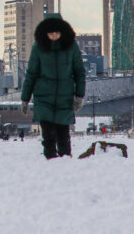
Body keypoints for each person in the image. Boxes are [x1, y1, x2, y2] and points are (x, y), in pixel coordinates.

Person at [20, 13, 85, 159]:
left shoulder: (71, 47)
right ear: (45, 33)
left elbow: (79, 72)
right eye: (51, 33)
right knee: (48, 137)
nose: (54, 36)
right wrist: (25, 98)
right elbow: (31, 73)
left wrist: (79, 95)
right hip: (43, 99)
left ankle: (66, 165)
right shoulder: (38, 48)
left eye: (57, 32)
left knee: (64, 136)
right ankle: (50, 164)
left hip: (64, 98)